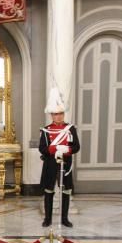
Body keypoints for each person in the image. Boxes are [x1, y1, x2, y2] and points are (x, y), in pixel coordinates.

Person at [39, 88, 80, 227]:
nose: (59, 116)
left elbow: (76, 146)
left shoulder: (70, 128)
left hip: (66, 164)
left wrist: (67, 149)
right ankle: (48, 219)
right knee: (49, 191)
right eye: (56, 114)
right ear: (52, 115)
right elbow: (42, 148)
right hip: (50, 164)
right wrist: (54, 149)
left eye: (61, 114)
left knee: (66, 191)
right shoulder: (45, 130)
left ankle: (64, 219)